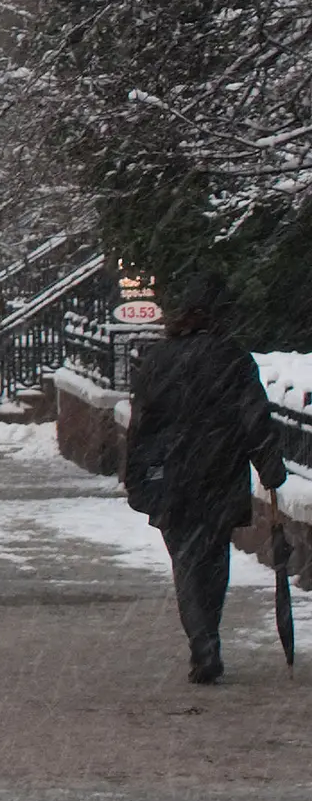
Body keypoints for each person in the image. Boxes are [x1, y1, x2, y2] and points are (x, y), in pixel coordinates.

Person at [121, 275, 288, 684]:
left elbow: (143, 423)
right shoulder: (232, 358)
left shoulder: (158, 359)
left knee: (187, 561)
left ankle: (203, 641)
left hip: (172, 476)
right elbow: (254, 419)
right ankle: (207, 633)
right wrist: (269, 466)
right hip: (219, 471)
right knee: (213, 559)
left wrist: (137, 475)